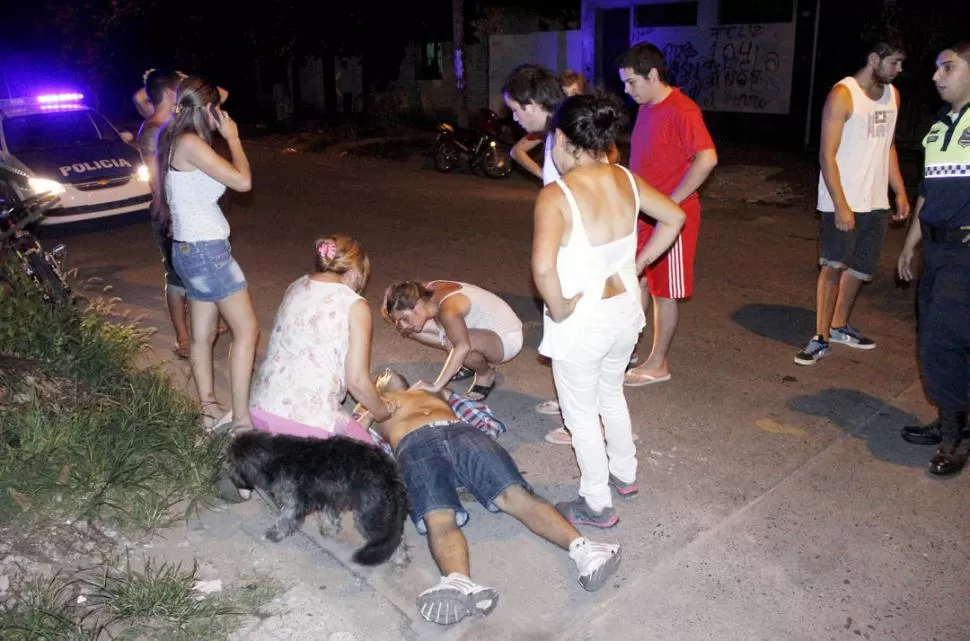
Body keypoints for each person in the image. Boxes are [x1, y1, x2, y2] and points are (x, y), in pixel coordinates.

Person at [354, 369, 622, 625]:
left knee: (515, 495)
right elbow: (352, 440)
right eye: (380, 375)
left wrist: (441, 391)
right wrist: (365, 411)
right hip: (414, 444)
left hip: (461, 432)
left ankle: (587, 551)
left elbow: (476, 411)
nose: (387, 372)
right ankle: (459, 583)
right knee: (438, 514)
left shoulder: (431, 390)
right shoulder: (374, 405)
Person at [532, 94, 686, 528]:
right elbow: (674, 217)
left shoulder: (556, 195)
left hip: (584, 319)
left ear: (561, 138)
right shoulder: (625, 178)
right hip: (625, 312)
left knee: (580, 413)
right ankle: (625, 472)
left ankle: (596, 502)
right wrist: (638, 265)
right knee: (610, 394)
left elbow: (543, 267)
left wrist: (559, 307)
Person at [503, 65, 618, 444]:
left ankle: (585, 421)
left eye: (518, 111)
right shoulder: (554, 133)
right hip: (573, 240)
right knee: (566, 339)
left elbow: (603, 177)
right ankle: (569, 401)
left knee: (577, 337)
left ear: (535, 103)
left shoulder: (566, 137)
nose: (516, 120)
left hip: (579, 246)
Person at [794, 34, 911, 366]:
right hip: (842, 198)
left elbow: (888, 146)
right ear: (874, 60)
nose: (899, 69)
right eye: (894, 62)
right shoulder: (843, 95)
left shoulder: (893, 95)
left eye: (901, 63)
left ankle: (840, 325)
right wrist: (841, 203)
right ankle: (820, 336)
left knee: (860, 268)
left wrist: (899, 190)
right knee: (833, 267)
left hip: (875, 200)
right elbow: (826, 155)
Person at [156, 76, 259, 431]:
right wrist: (234, 139)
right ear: (205, 111)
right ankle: (243, 421)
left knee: (203, 335)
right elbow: (243, 182)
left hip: (189, 250)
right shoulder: (192, 144)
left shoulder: (174, 137)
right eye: (217, 109)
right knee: (246, 331)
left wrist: (205, 99)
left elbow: (220, 93)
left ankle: (208, 410)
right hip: (206, 252)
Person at [617, 43, 718, 387]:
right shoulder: (647, 106)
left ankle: (658, 362)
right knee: (638, 279)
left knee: (664, 291)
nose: (627, 90)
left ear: (653, 75)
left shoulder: (683, 110)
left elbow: (707, 159)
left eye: (631, 82)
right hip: (645, 214)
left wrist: (671, 204)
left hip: (672, 218)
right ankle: (627, 347)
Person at [896, 41, 970, 476]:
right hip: (938, 248)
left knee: (943, 339)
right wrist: (910, 243)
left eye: (949, 67)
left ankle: (954, 437)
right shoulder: (940, 127)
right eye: (937, 67)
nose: (936, 76)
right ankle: (953, 418)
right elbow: (929, 191)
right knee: (938, 338)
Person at [248, 235, 397, 442]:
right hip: (305, 423)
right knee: (372, 463)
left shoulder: (296, 285)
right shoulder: (354, 305)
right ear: (355, 270)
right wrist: (382, 411)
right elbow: (357, 381)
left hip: (260, 410)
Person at [135, 69, 229, 360]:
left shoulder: (175, 120)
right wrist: (172, 216)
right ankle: (183, 336)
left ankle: (208, 319)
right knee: (176, 278)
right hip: (170, 212)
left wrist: (180, 76)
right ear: (168, 93)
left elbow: (220, 95)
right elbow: (156, 181)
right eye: (179, 86)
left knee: (203, 266)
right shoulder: (153, 129)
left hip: (191, 205)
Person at [381, 280, 522, 401]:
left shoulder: (449, 309)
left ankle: (485, 374)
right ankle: (466, 364)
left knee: (462, 346)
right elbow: (401, 289)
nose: (402, 324)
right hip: (475, 329)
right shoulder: (422, 292)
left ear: (417, 306)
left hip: (505, 338)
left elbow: (462, 346)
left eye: (404, 319)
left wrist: (435, 386)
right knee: (412, 331)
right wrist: (389, 303)